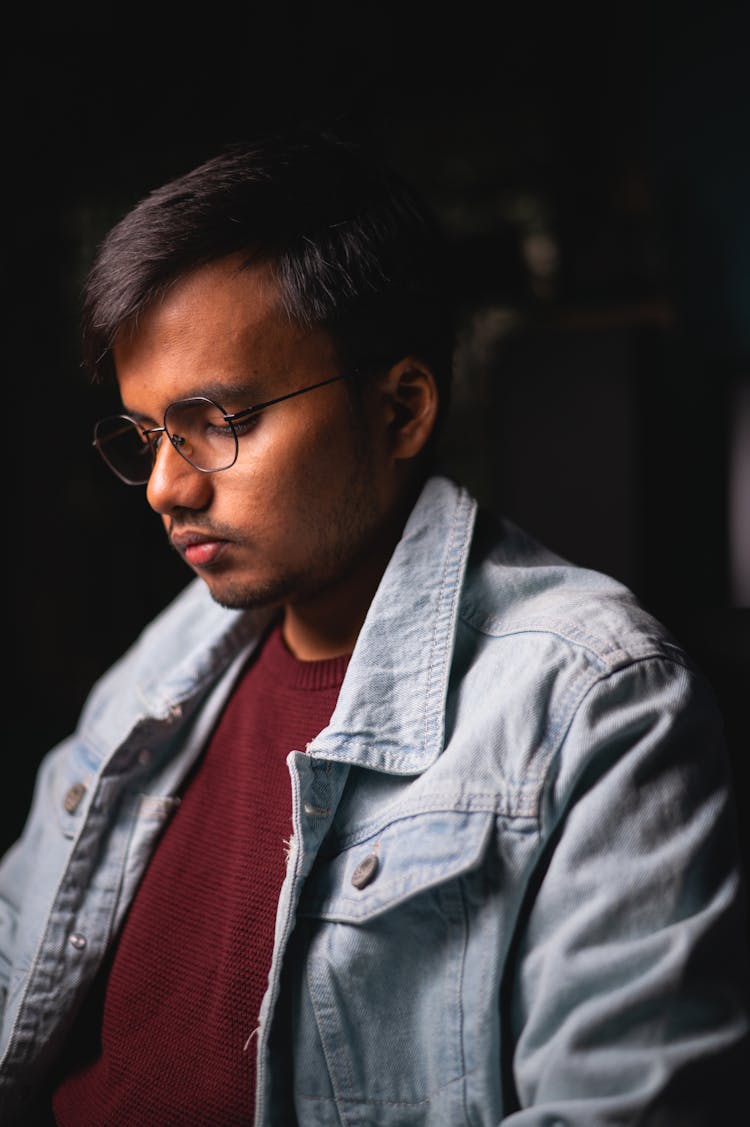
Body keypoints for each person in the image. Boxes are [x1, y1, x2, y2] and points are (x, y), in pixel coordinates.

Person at [0, 125, 747, 1127]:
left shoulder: (595, 700)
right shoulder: (163, 662)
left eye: (216, 421)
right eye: (146, 436)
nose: (166, 488)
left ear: (399, 409)